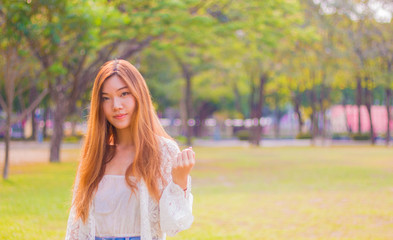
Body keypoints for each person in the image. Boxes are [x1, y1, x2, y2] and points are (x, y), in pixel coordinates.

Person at [65, 59, 195, 240]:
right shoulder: (96, 153)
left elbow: (174, 226)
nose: (116, 105)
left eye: (124, 94)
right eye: (106, 98)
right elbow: (77, 224)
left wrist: (180, 181)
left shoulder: (163, 151)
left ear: (138, 95)